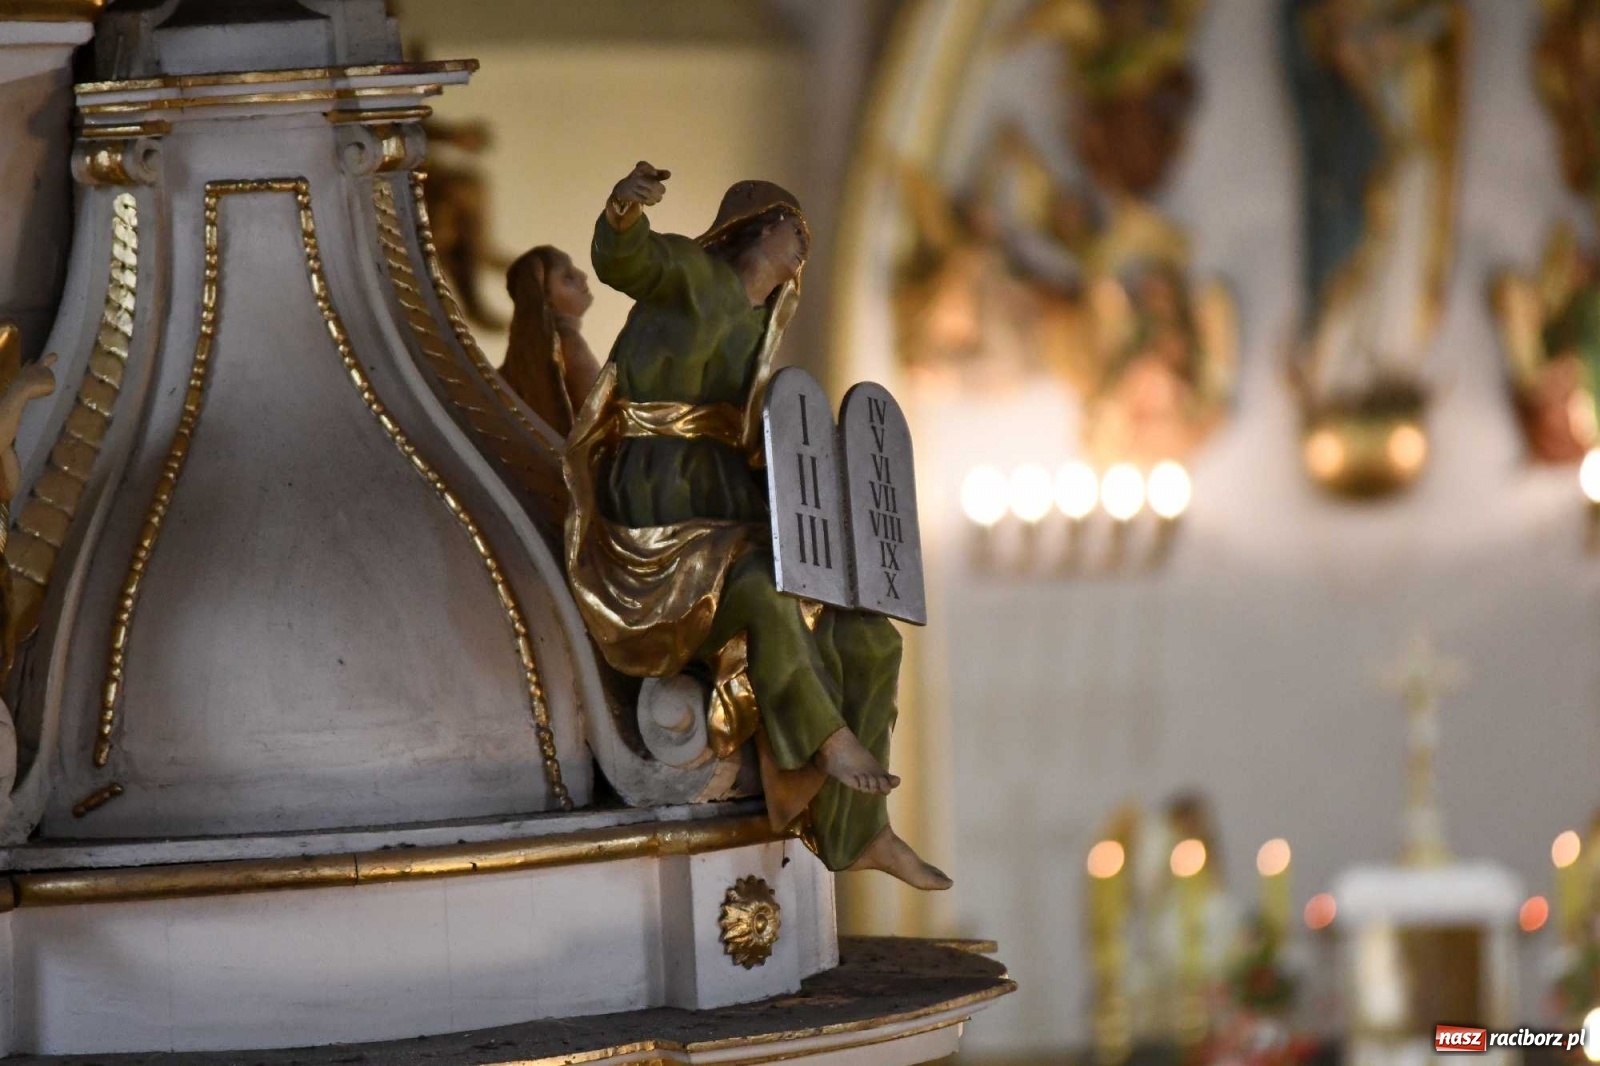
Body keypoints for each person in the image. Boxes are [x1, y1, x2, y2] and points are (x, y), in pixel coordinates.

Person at [564, 162, 950, 889]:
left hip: (723, 492)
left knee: (869, 636)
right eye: (791, 227)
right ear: (754, 227)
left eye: (806, 235)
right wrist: (624, 207)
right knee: (756, 589)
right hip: (655, 500)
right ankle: (828, 742)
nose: (801, 244)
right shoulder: (694, 277)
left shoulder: (759, 324)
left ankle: (863, 835)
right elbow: (627, 259)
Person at [502, 246, 601, 439]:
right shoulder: (569, 343)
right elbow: (599, 411)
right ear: (546, 298)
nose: (583, 277)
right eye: (568, 278)